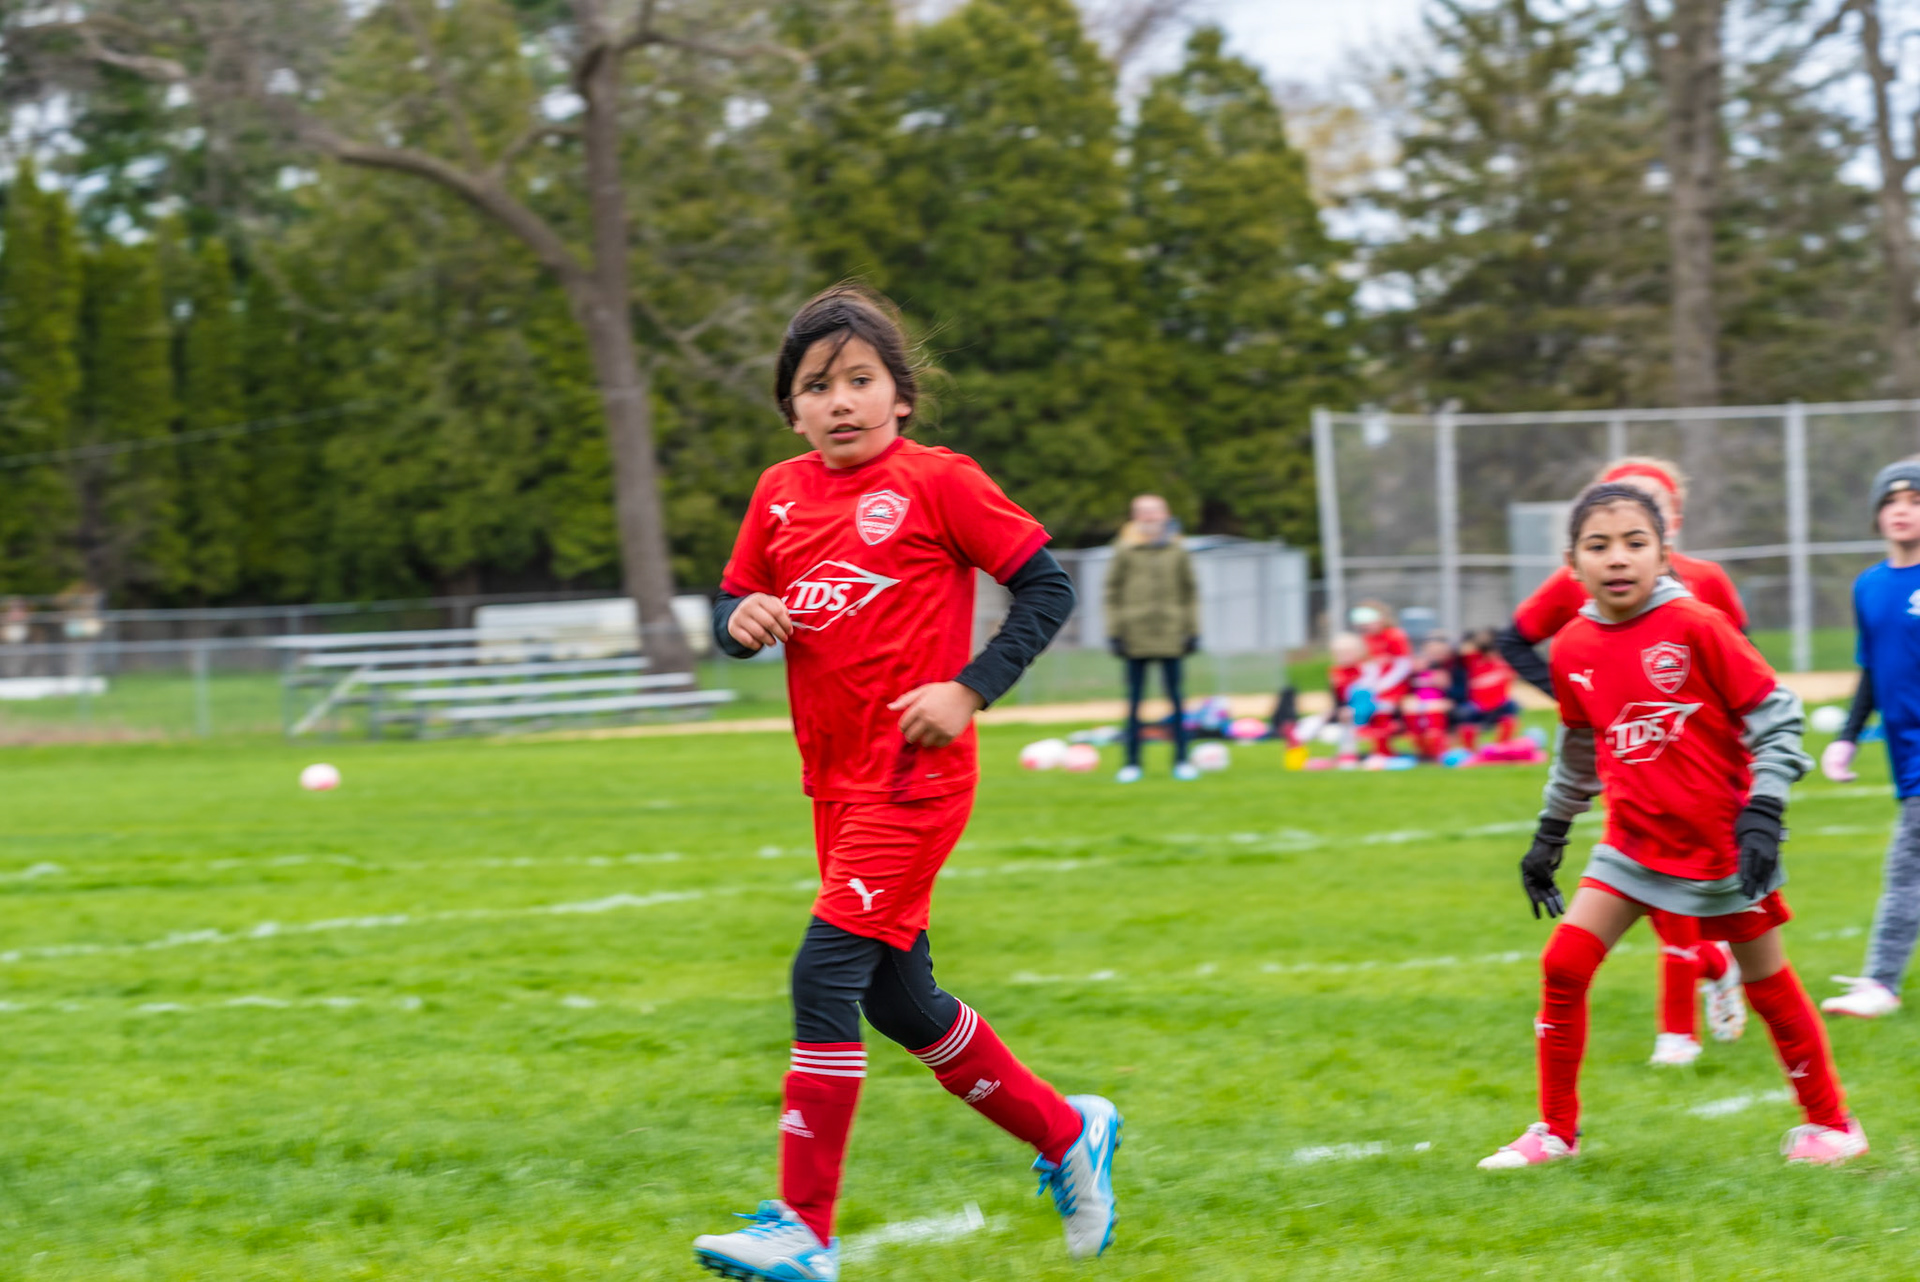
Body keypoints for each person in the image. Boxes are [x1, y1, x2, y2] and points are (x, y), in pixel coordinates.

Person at [695, 285, 1121, 1281]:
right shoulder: (779, 492)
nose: (839, 401)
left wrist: (971, 689)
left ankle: (804, 1226)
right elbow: (732, 598)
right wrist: (742, 619)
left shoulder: (941, 482)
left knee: (822, 973)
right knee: (900, 1000)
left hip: (914, 780)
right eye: (816, 386)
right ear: (792, 409)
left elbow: (1047, 584)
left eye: (859, 379)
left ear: (900, 397)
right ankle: (1066, 1131)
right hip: (833, 786)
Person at [1480, 482, 1865, 1170]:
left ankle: (1834, 1125)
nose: (1618, 558)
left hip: (1719, 847)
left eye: (1635, 543)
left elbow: (1779, 719)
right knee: (1563, 963)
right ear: (1573, 564)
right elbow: (1578, 751)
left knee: (1767, 981)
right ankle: (1555, 1134)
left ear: (1665, 556)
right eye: (1599, 546)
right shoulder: (1571, 647)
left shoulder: (1697, 626)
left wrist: (1764, 810)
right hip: (1630, 842)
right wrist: (1550, 835)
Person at [1495, 456, 1745, 1066]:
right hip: (1624, 766)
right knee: (1646, 888)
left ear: (1669, 526)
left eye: (1642, 514)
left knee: (1688, 898)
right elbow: (1513, 638)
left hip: (1700, 775)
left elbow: (1745, 673)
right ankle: (1714, 971)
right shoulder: (1584, 579)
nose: (1618, 544)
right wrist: (1584, 702)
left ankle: (1677, 1033)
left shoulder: (1704, 585)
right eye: (1607, 513)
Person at [1819, 458, 1920, 1019]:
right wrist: (1848, 737)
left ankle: (1882, 981)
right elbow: (1873, 671)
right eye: (1891, 501)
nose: (1902, 510)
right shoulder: (1870, 586)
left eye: (1915, 500)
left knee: (1906, 868)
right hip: (1904, 757)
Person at [1104, 493, 1199, 783]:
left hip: (1171, 635)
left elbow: (1189, 592)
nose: (1148, 518)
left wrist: (1191, 630)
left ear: (1165, 514)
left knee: (1177, 701)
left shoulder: (1178, 550)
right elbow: (1112, 593)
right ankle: (1132, 763)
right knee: (1134, 702)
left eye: (1154, 512)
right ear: (1134, 516)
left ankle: (1182, 760)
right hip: (1135, 636)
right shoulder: (1124, 550)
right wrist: (1115, 631)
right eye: (1142, 513)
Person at [1453, 630, 1520, 749]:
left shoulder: (1504, 664)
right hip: (1478, 705)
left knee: (1512, 707)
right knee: (1464, 714)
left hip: (1499, 704)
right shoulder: (1474, 660)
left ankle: (1501, 746)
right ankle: (1470, 750)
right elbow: (1463, 649)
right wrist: (1480, 641)